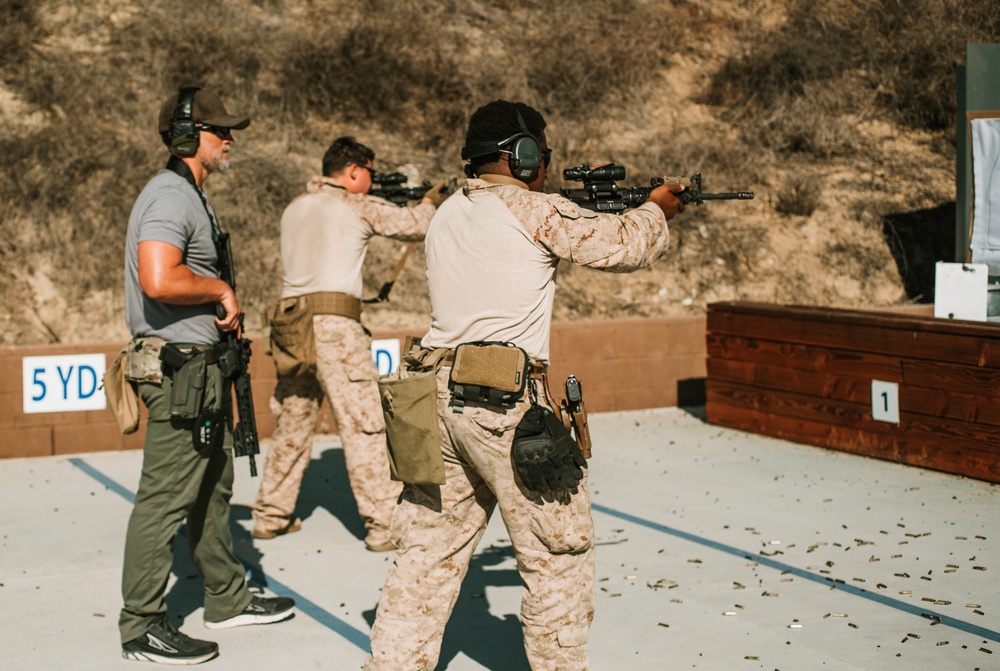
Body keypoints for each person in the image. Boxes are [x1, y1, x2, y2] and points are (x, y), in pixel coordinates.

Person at [363, 100, 685, 670]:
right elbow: (624, 246)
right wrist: (657, 209)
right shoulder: (533, 210)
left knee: (425, 558)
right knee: (558, 555)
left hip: (434, 403)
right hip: (503, 406)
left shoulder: (447, 213)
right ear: (523, 154)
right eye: (543, 154)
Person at [119, 87, 295, 665]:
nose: (230, 141)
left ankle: (225, 595)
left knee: (213, 482)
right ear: (190, 136)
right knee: (166, 497)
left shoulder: (189, 195)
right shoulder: (170, 196)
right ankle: (141, 623)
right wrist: (220, 289)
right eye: (221, 131)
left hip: (202, 369)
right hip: (181, 373)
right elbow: (157, 279)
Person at [251, 137, 441, 551]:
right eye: (369, 174)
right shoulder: (355, 205)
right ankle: (382, 525)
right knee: (365, 426)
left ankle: (270, 515)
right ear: (354, 170)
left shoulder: (295, 207)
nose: (371, 183)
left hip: (290, 328)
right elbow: (417, 226)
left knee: (293, 423)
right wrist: (429, 200)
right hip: (335, 327)